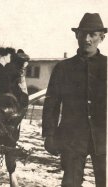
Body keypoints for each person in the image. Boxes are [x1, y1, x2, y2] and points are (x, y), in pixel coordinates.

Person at [42, 13, 107, 187]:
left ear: (101, 37)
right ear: (76, 35)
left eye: (92, 34)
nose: (87, 38)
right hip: (71, 139)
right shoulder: (63, 68)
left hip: (104, 138)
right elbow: (51, 104)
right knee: (70, 183)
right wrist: (49, 135)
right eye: (83, 33)